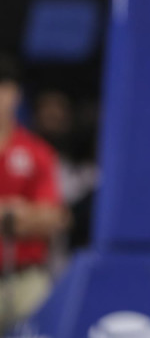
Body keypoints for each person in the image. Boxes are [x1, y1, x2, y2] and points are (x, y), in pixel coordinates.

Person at [0, 55, 66, 331]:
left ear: (15, 94)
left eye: (3, 88)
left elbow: (54, 217)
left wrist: (12, 219)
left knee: (42, 302)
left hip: (24, 277)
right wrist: (13, 213)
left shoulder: (37, 152)